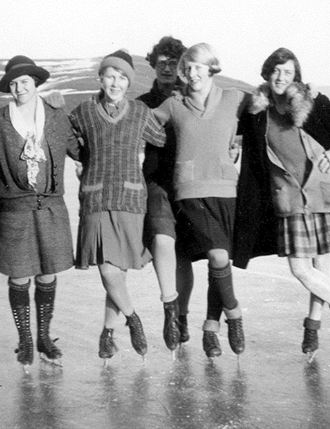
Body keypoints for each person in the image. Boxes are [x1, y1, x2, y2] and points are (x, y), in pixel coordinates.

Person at [233, 48, 330, 361]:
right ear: (266, 73)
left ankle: (313, 326)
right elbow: (232, 132)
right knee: (301, 268)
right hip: (290, 197)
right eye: (276, 71)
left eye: (288, 72)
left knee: (321, 267)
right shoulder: (257, 108)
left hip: (323, 191)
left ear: (296, 75)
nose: (281, 77)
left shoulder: (313, 101)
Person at [0, 55, 79, 370]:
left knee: (48, 273)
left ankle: (44, 337)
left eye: (24, 81)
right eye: (13, 83)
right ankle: (24, 340)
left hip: (50, 206)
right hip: (14, 207)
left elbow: (80, 148)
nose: (19, 88)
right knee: (19, 275)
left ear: (36, 84)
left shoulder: (56, 116)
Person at [154, 43, 251, 360]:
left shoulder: (234, 98)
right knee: (218, 254)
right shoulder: (174, 103)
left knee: (217, 262)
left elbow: (265, 116)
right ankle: (234, 314)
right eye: (188, 67)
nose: (193, 73)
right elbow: (137, 125)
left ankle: (211, 327)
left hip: (226, 188)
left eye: (199, 66)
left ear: (212, 68)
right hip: (190, 190)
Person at [69, 49, 166, 364]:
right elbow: (66, 137)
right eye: (110, 75)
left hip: (129, 199)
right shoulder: (84, 111)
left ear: (129, 82)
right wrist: (81, 156)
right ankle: (133, 318)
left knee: (117, 275)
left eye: (122, 77)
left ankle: (108, 334)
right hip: (96, 198)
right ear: (101, 78)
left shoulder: (139, 112)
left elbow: (163, 140)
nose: (115, 82)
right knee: (109, 271)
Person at [136, 36, 194, 353]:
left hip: (190, 184)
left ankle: (182, 317)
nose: (168, 68)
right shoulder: (143, 103)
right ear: (154, 65)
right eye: (162, 62)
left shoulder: (194, 99)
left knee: (183, 256)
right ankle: (169, 310)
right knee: (161, 240)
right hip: (157, 181)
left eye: (174, 62)